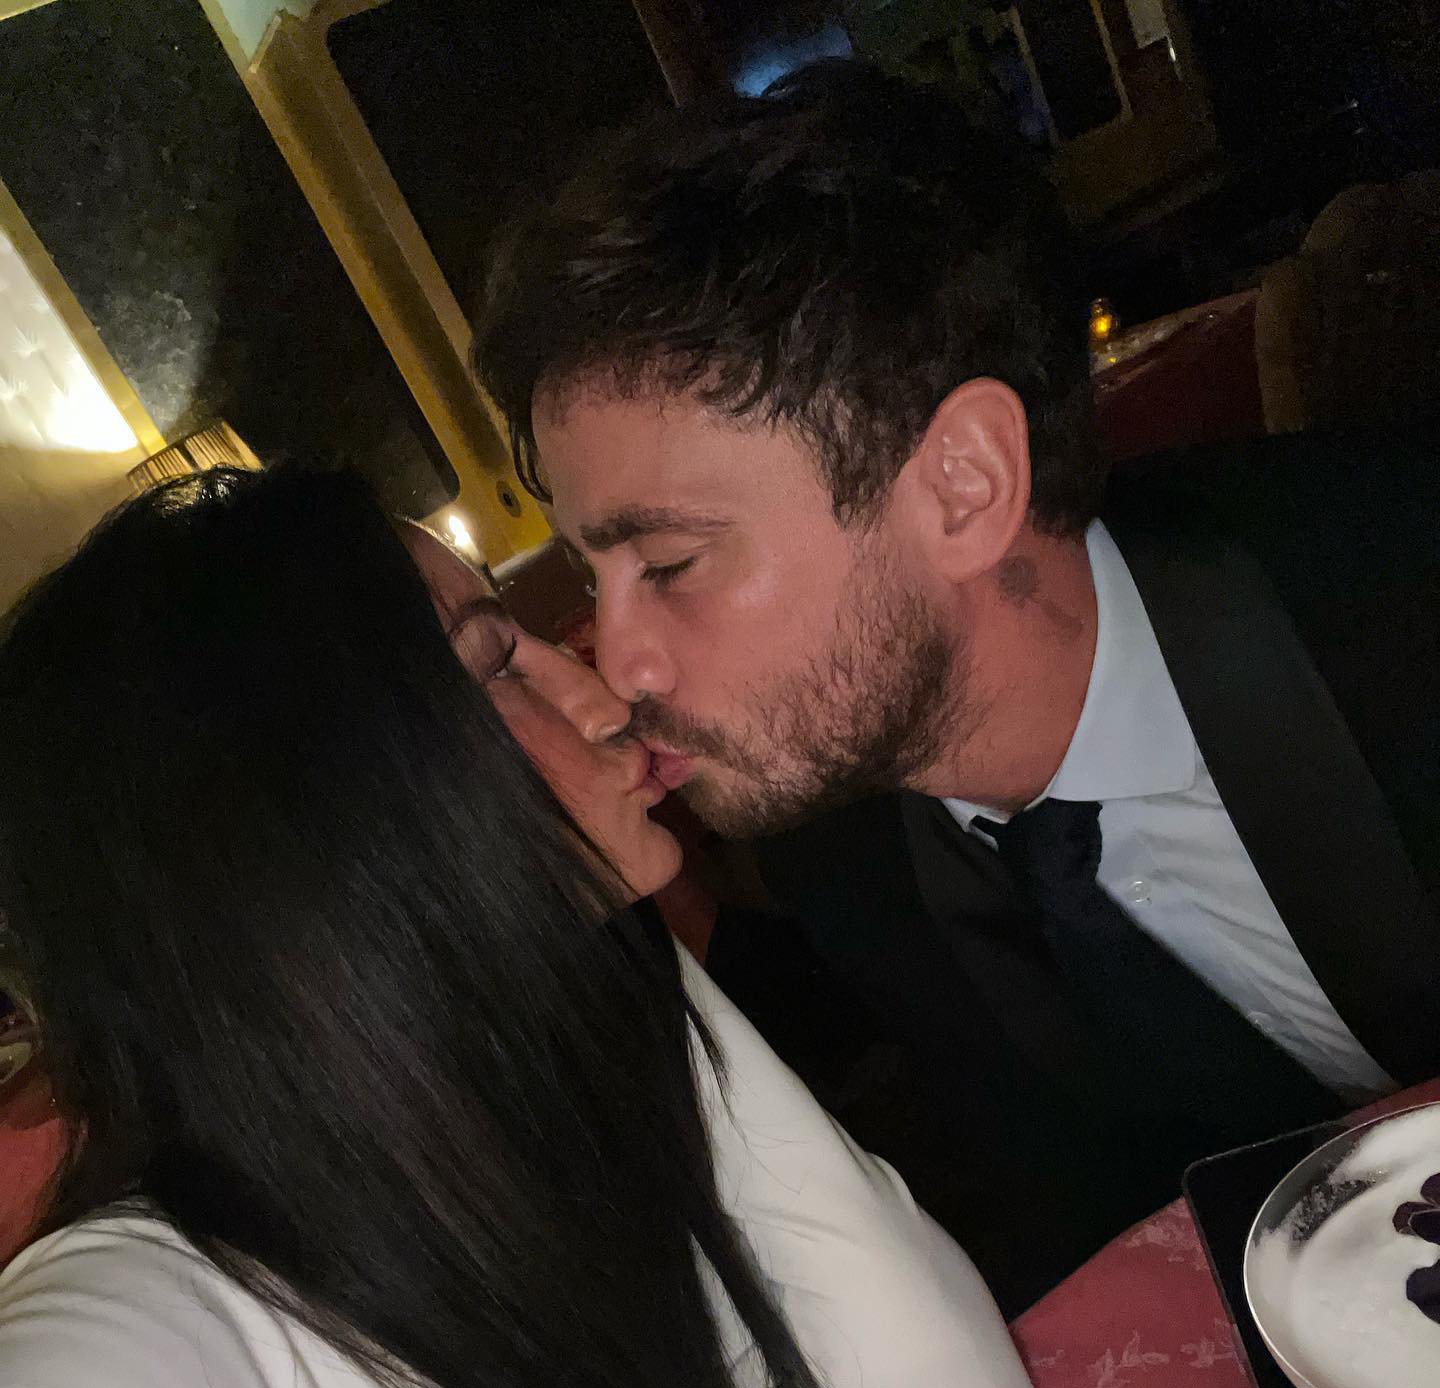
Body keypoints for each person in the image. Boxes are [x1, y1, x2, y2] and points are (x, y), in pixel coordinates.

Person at [0, 465, 1038, 1388]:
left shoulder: (512, 1124)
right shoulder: (131, 1359)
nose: (600, 695)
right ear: (322, 816)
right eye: (498, 664)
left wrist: (607, 958)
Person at [474, 57, 1440, 1311]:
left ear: (964, 485)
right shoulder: (848, 846)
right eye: (593, 575)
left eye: (668, 562)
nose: (623, 668)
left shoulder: (1396, 590)